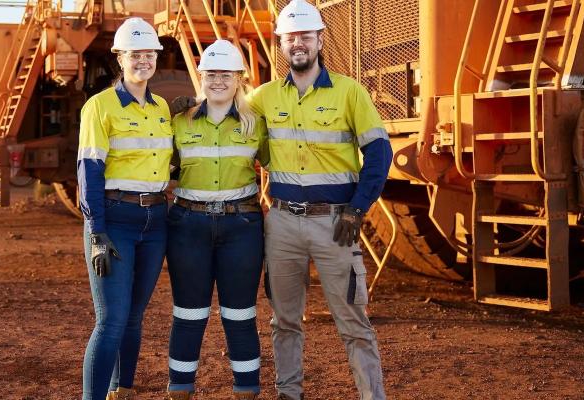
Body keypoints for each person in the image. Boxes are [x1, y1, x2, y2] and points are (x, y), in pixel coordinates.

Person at [250, 1, 394, 399]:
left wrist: (357, 209)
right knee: (284, 321)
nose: (298, 43)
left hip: (335, 225)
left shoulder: (351, 92)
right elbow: (222, 109)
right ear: (280, 43)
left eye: (305, 36)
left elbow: (380, 154)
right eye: (290, 37)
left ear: (319, 39)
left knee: (353, 322)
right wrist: (187, 109)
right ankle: (288, 394)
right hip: (281, 223)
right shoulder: (263, 98)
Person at [164, 40, 268, 400]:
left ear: (239, 78)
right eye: (211, 74)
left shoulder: (257, 125)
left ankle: (246, 390)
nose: (218, 81)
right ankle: (179, 390)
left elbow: (280, 166)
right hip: (187, 226)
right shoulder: (178, 121)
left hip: (241, 227)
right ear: (201, 77)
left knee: (240, 315)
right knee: (188, 313)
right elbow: (157, 168)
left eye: (226, 74)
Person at [76, 16, 174, 400]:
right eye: (135, 54)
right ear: (120, 57)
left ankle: (123, 390)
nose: (143, 61)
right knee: (111, 321)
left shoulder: (162, 107)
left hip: (155, 221)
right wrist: (96, 229)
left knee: (134, 318)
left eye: (149, 54)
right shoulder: (99, 107)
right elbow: (89, 169)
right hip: (114, 222)